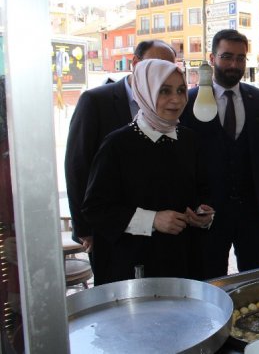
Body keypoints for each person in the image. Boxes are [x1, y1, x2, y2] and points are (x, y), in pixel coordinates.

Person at [81, 59, 214, 285]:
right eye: (164, 91)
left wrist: (203, 215)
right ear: (144, 91)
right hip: (134, 267)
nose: (177, 99)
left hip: (183, 262)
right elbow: (96, 209)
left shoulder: (189, 140)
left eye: (181, 90)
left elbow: (203, 191)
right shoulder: (117, 145)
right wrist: (153, 220)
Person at [180, 29, 259, 278]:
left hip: (252, 212)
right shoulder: (190, 101)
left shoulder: (258, 99)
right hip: (207, 214)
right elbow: (183, 160)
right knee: (210, 280)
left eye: (240, 58)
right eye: (227, 57)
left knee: (254, 280)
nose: (234, 64)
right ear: (212, 57)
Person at [64, 40, 176, 263]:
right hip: (111, 228)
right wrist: (84, 228)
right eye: (155, 64)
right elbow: (77, 166)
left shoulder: (170, 106)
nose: (162, 73)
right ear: (135, 63)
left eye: (169, 67)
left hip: (161, 232)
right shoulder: (95, 101)